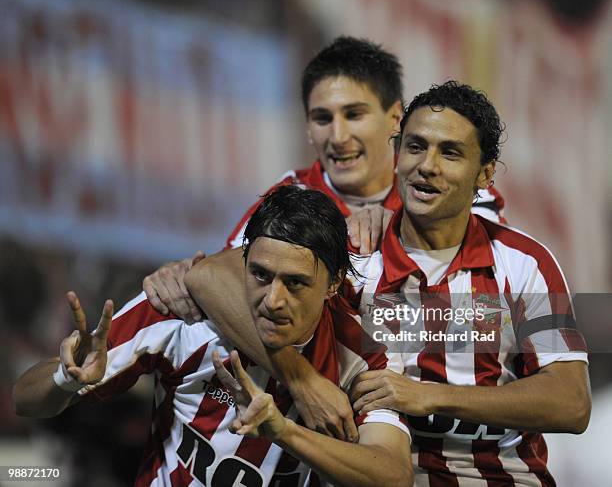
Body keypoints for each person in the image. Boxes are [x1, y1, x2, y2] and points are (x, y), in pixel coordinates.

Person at [185, 82, 590, 486]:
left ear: (484, 174)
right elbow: (212, 275)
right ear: (396, 156)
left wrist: (427, 396)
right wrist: (301, 379)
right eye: (415, 147)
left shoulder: (524, 263)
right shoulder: (352, 257)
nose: (426, 165)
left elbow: (571, 404)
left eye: (449, 152)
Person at [13, 186, 413, 487]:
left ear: (333, 285)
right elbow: (25, 400)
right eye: (260, 275)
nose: (273, 300)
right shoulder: (184, 314)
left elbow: (393, 476)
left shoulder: (361, 356)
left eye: (295, 284)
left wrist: (284, 431)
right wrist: (65, 379)